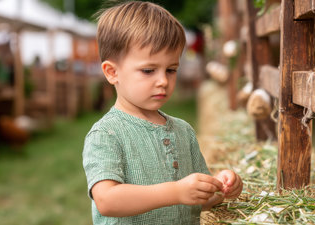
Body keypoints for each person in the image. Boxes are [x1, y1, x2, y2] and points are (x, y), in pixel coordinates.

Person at [82, 2, 243, 224]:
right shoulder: (107, 134)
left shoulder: (183, 131)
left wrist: (219, 188)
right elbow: (107, 200)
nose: (163, 81)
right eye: (148, 70)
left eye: (171, 70)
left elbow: (196, 199)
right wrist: (176, 191)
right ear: (112, 72)